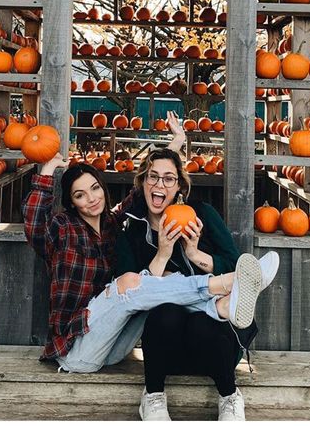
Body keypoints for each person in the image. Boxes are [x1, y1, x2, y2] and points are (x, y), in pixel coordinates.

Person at [23, 113, 276, 389]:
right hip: (76, 349)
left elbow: (151, 186)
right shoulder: (62, 228)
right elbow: (35, 226)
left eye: (95, 188)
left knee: (153, 285)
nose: (91, 198)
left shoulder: (111, 224)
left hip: (111, 348)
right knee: (130, 282)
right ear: (72, 203)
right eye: (79, 195)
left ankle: (222, 301)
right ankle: (225, 286)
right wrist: (46, 172)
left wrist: (177, 143)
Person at [116, 145, 276, 421]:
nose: (159, 184)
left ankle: (229, 395)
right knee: (165, 312)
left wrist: (194, 253)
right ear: (142, 182)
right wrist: (163, 252)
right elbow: (131, 290)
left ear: (179, 186)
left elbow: (236, 262)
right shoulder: (130, 228)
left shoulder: (201, 214)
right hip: (165, 346)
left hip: (211, 343)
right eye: (152, 177)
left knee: (203, 323)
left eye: (168, 178)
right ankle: (153, 395)